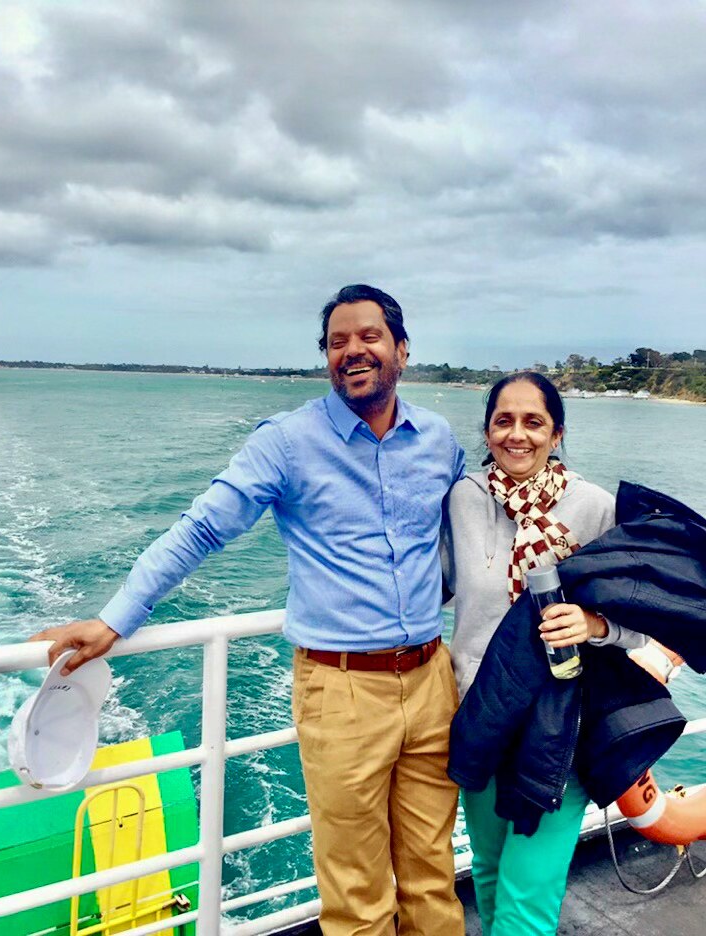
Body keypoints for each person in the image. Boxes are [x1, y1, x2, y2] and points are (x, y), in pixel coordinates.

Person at [31, 284, 466, 936]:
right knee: (359, 896)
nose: (352, 351)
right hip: (343, 689)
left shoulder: (437, 439)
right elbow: (202, 528)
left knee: (433, 878)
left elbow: (473, 527)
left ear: (401, 350)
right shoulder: (288, 442)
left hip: (434, 680)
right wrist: (116, 617)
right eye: (337, 342)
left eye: (368, 336)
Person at [441, 372, 646, 936]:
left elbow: (638, 625)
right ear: (487, 431)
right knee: (487, 870)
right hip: (479, 715)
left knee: (527, 895)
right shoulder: (464, 499)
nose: (517, 435)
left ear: (556, 433)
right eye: (503, 420)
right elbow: (435, 585)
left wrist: (593, 622)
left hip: (559, 729)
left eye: (534, 422)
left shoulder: (595, 509)